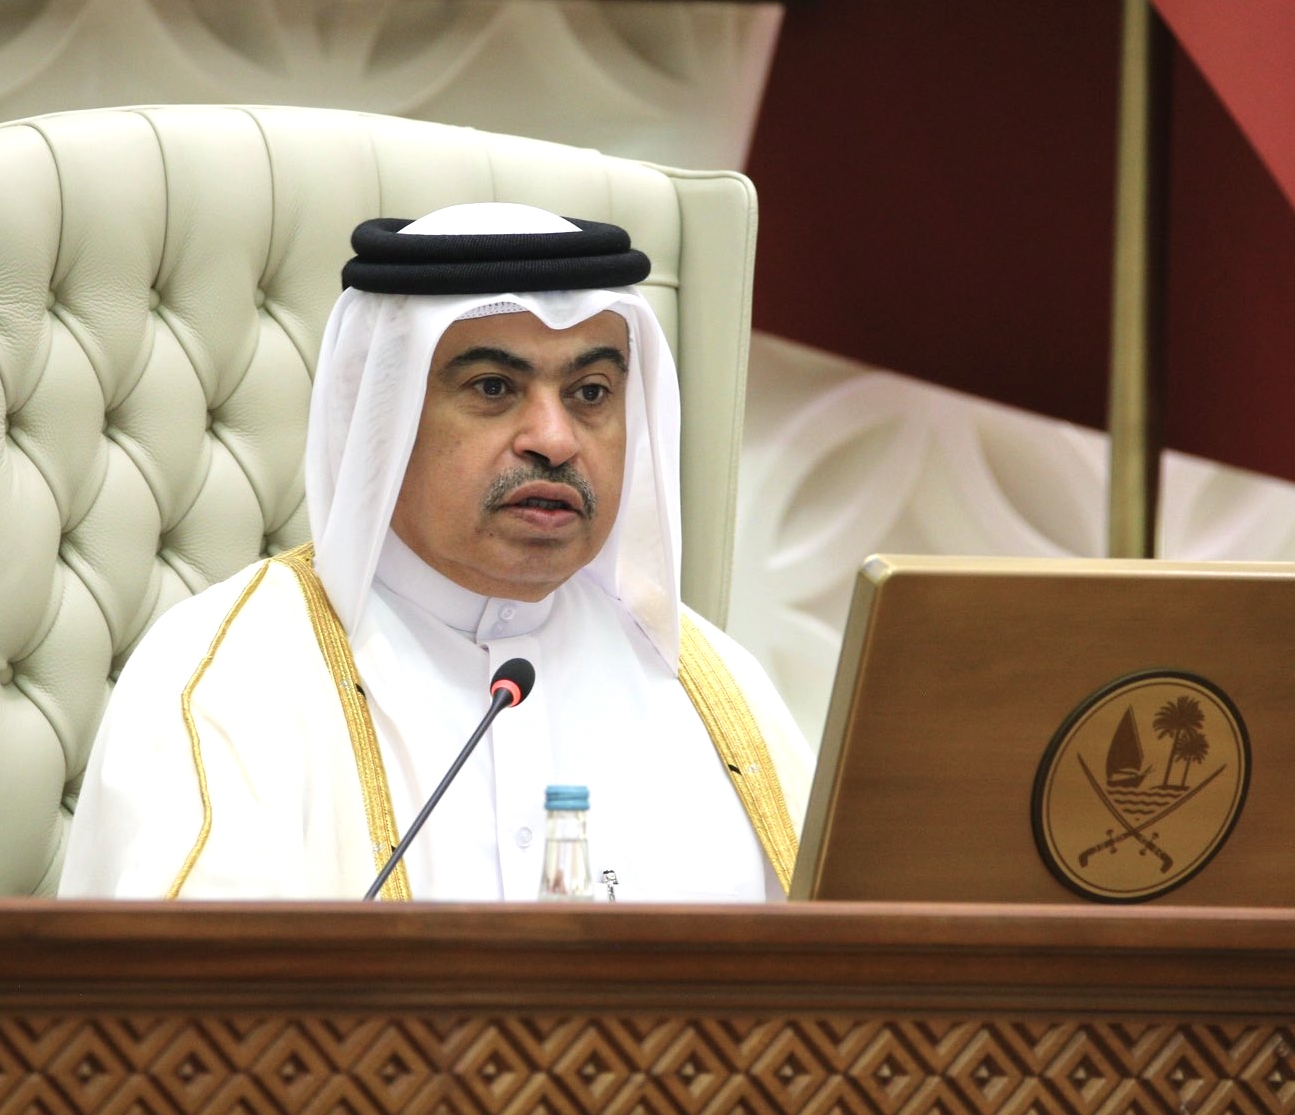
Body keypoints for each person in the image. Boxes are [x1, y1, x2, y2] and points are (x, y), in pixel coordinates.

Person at [59, 203, 811, 901]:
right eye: (493, 388)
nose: (554, 440)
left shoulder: (716, 693)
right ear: (383, 420)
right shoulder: (232, 682)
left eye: (590, 393)